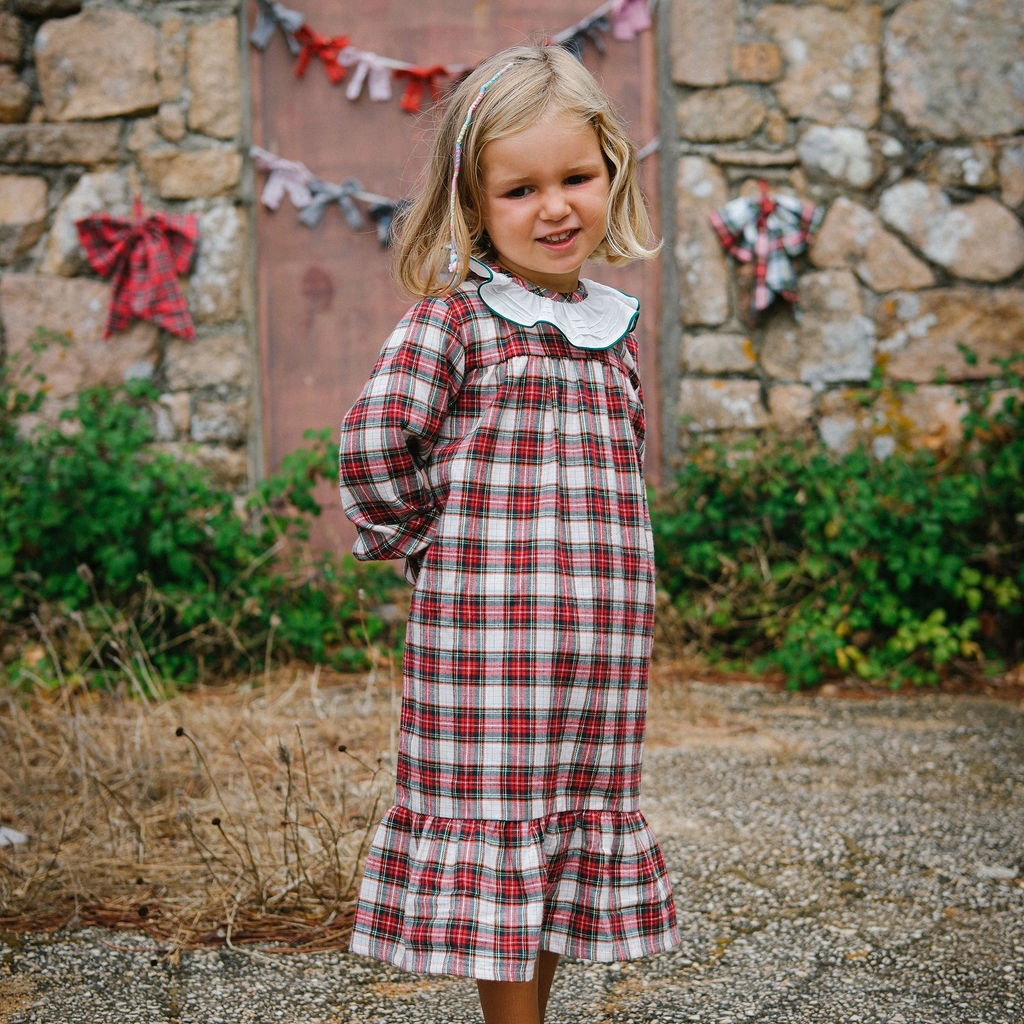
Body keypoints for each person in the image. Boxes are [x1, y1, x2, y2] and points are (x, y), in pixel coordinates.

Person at [338, 43, 679, 1024]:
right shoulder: (457, 324)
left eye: (575, 176)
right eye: (520, 188)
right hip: (487, 650)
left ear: (611, 170)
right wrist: (423, 548)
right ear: (475, 204)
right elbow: (374, 444)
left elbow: (623, 478)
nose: (555, 206)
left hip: (596, 658)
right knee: (501, 836)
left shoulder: (613, 328)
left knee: (562, 846)